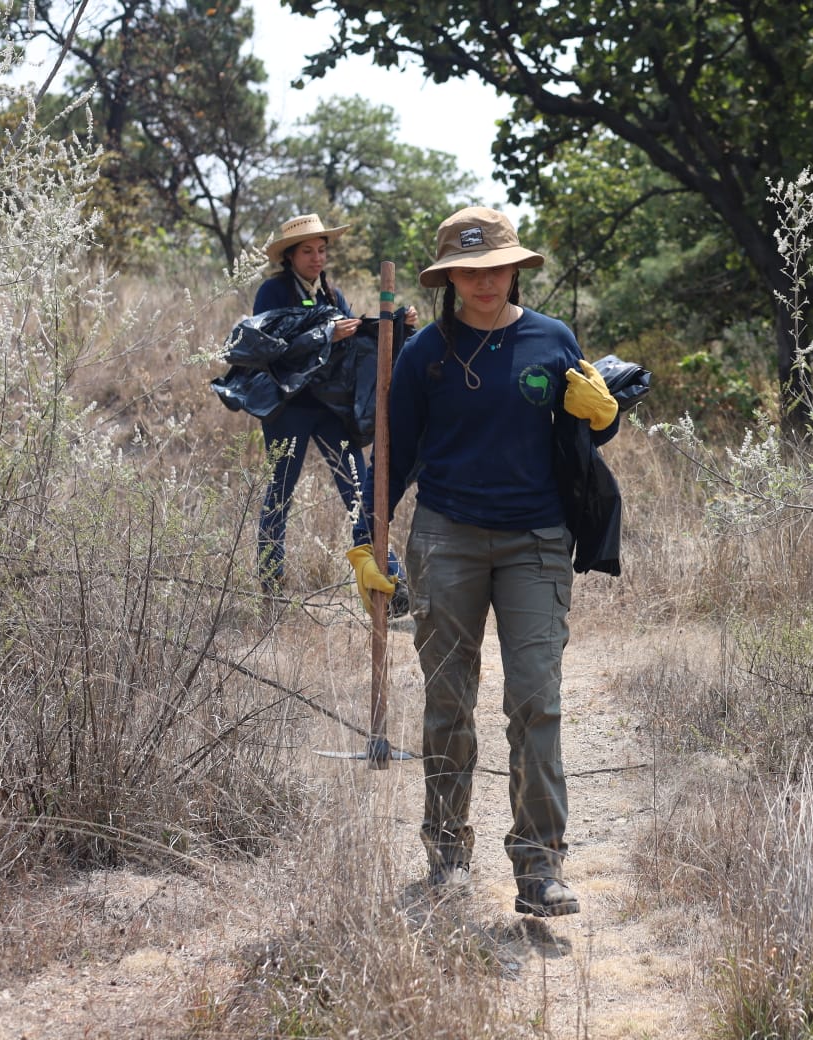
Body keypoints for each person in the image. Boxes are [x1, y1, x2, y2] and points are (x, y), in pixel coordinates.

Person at [346, 206, 621, 918]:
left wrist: (605, 413)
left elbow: (592, 429)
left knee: (536, 701)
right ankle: (446, 857)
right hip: (447, 541)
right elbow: (394, 457)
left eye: (495, 267)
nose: (485, 280)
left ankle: (540, 870)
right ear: (450, 278)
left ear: (515, 268)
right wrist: (364, 539)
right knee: (448, 704)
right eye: (469, 270)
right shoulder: (424, 354)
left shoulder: (552, 339)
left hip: (537, 542)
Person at [251, 212, 414, 596]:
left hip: (330, 411)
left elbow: (355, 343)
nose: (317, 258)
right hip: (287, 409)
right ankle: (271, 586)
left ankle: (388, 580)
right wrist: (326, 333)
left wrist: (398, 323)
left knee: (359, 489)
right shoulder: (272, 293)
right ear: (289, 256)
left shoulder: (332, 294)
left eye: (322, 250)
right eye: (307, 251)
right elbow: (267, 347)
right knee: (280, 492)